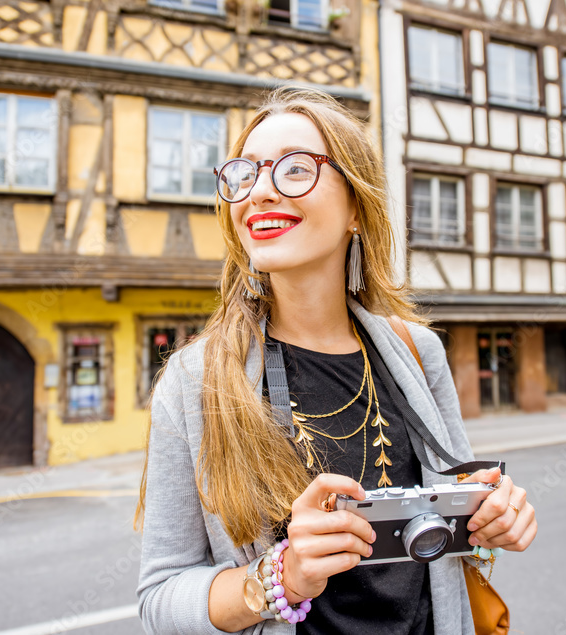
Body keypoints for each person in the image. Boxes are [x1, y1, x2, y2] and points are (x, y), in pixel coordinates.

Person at [135, 87, 537, 634]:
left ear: (356, 206)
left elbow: (454, 525)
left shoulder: (419, 353)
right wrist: (280, 576)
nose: (259, 193)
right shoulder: (193, 382)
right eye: (244, 174)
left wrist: (491, 518)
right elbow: (160, 601)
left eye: (295, 169)